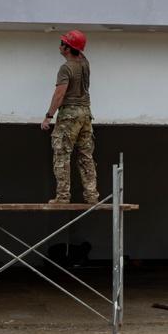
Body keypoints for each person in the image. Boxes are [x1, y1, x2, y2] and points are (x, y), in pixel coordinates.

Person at [40, 30, 99, 205]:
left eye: (62, 43)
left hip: (70, 115)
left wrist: (48, 116)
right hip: (86, 113)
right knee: (85, 155)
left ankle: (63, 196)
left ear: (67, 48)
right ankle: (92, 196)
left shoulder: (66, 68)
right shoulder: (84, 63)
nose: (60, 46)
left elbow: (59, 94)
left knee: (62, 154)